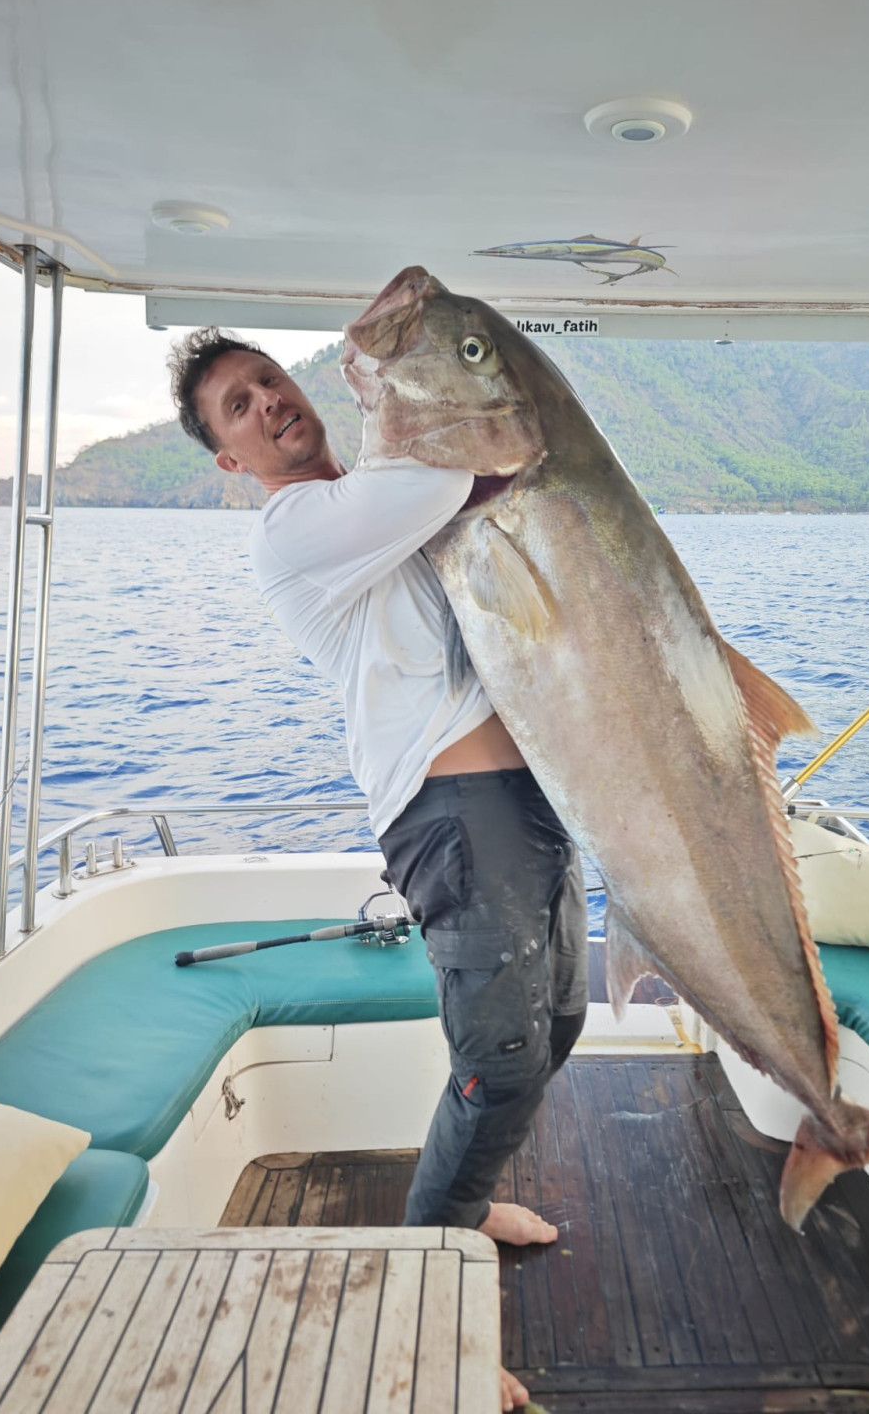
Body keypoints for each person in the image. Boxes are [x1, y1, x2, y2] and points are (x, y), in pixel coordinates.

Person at [169, 328, 588, 1412]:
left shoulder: (373, 503)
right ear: (230, 459)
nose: (266, 400)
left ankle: (465, 1207)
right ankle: (424, 1304)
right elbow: (464, 467)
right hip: (455, 813)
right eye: (236, 406)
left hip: (531, 799)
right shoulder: (300, 526)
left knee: (558, 1024)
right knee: (501, 1061)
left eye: (268, 379)